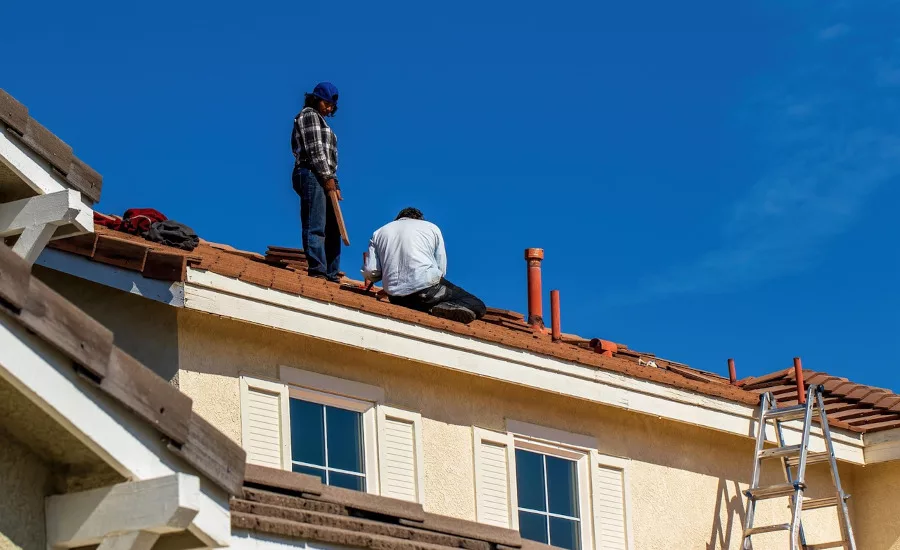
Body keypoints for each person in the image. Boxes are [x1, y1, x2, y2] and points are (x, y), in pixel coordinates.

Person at [362, 208, 486, 324]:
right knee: (477, 305)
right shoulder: (431, 227)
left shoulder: (379, 232)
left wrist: (392, 284)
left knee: (418, 301)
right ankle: (437, 308)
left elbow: (371, 271)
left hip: (396, 298)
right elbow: (440, 268)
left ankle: (435, 307)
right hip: (426, 291)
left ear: (398, 219)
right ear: (419, 219)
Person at [291, 82, 343, 281]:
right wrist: (327, 177)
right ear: (316, 100)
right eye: (326, 104)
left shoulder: (323, 123)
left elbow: (330, 159)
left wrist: (334, 183)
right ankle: (318, 269)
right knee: (316, 223)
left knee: (333, 227)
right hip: (311, 172)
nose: (329, 109)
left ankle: (331, 272)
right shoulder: (309, 116)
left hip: (323, 175)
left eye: (332, 106)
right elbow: (315, 151)